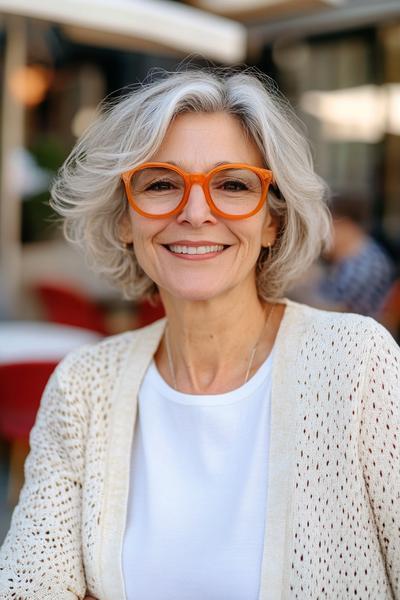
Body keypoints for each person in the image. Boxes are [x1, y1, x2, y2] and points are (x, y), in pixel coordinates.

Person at [0, 67, 399, 600]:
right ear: (125, 219)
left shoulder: (357, 364)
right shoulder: (83, 386)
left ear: (272, 220)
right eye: (162, 184)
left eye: (232, 185)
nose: (194, 212)